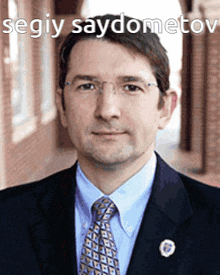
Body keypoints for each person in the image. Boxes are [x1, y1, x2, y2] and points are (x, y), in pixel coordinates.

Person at [1, 14, 220, 275]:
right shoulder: (7, 217)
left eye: (131, 87)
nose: (107, 110)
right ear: (62, 106)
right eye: (87, 86)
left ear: (165, 108)